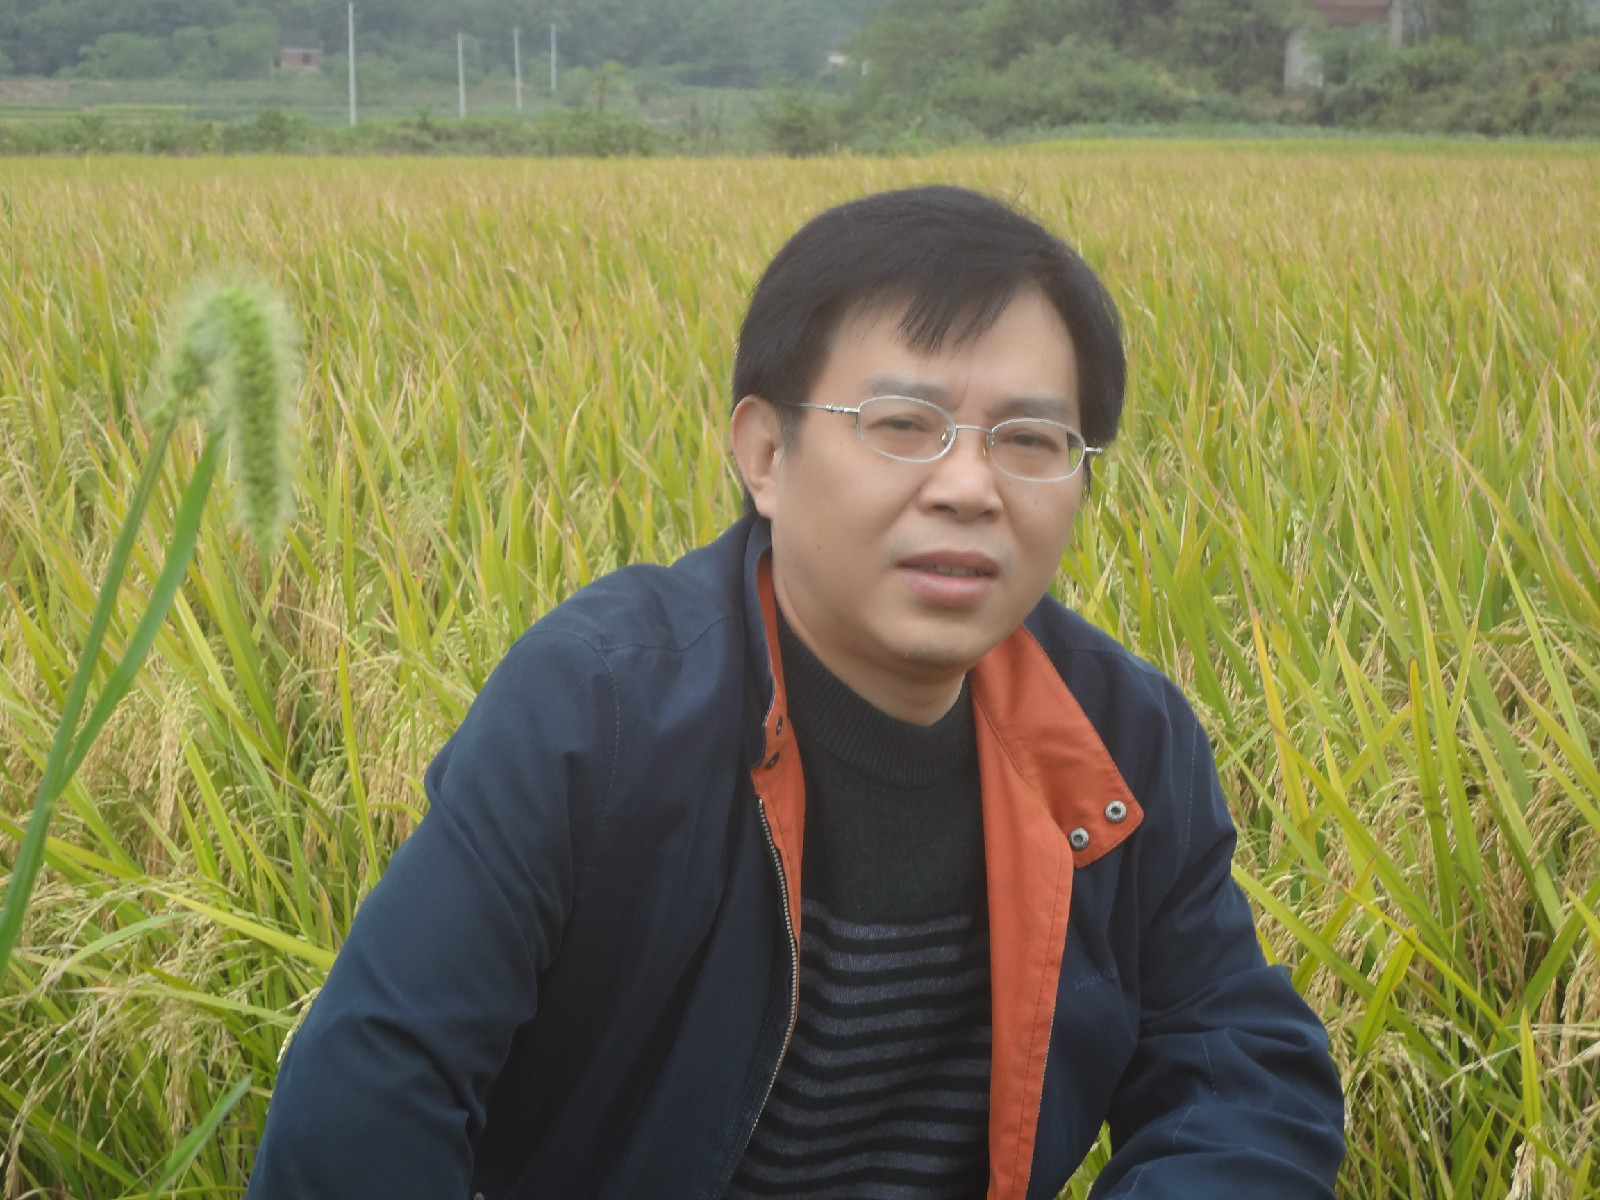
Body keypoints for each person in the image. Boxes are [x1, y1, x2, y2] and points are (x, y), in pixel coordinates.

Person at [246, 185, 1346, 1200]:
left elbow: (1242, 1072)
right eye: (902, 425)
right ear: (765, 454)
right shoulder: (600, 711)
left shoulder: (1119, 739)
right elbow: (369, 1094)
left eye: (1029, 439)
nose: (969, 487)